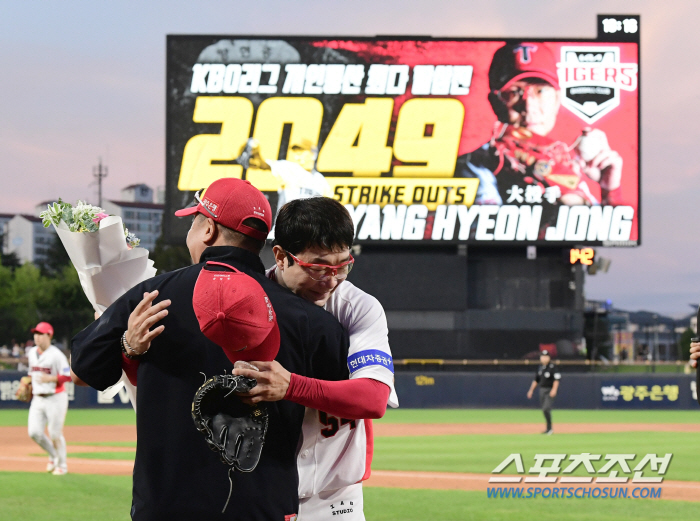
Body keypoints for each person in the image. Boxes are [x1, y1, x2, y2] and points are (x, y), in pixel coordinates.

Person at [70, 178, 349, 521]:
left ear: (208, 230)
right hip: (263, 508)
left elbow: (83, 370)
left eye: (193, 220)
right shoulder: (313, 322)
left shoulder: (152, 299)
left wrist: (129, 346)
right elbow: (339, 404)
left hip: (166, 507)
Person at [233, 197, 398, 521]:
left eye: (342, 265)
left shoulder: (357, 307)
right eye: (318, 266)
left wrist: (291, 386)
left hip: (336, 499)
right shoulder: (244, 304)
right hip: (262, 490)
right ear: (281, 256)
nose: (332, 279)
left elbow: (374, 399)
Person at [454, 42, 623, 208]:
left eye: (541, 91)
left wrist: (610, 190)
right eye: (514, 93)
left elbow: (612, 235)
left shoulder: (563, 163)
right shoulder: (473, 165)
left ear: (557, 100)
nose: (529, 107)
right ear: (495, 103)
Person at [26, 321, 72, 475]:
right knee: (34, 432)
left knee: (54, 433)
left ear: (49, 335)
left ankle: (62, 465)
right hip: (37, 399)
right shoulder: (32, 352)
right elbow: (32, 373)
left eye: (41, 334)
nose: (37, 337)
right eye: (36, 333)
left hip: (56, 398)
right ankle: (53, 455)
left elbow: (68, 376)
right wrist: (27, 383)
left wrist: (50, 379)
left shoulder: (56, 355)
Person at [526, 349, 561, 435]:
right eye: (543, 356)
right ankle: (548, 428)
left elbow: (556, 379)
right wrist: (531, 390)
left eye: (546, 356)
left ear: (549, 358)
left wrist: (554, 389)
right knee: (544, 410)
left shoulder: (552, 367)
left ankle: (550, 429)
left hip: (549, 390)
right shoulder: (540, 367)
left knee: (546, 408)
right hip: (542, 390)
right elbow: (536, 380)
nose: (544, 358)